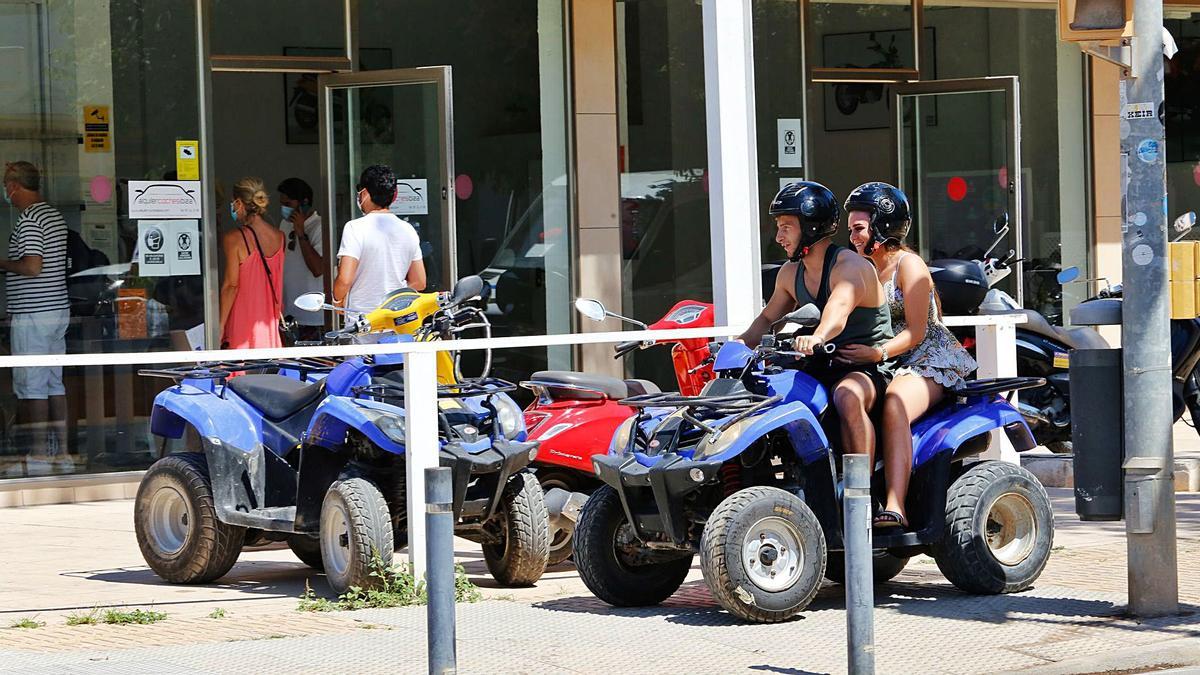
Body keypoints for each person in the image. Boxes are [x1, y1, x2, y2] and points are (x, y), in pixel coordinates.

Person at [837, 182, 976, 531]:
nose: (852, 236)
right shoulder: (859, 266)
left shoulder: (908, 265)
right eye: (850, 229)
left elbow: (916, 333)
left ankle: (895, 504)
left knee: (896, 402)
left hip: (927, 358)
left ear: (882, 227)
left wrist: (876, 351)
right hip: (883, 359)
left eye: (858, 229)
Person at [738, 181, 893, 464]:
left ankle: (860, 491)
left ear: (810, 227)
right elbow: (767, 318)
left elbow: (839, 308)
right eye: (778, 227)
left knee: (847, 396)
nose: (778, 237)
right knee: (766, 392)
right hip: (821, 364)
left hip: (867, 366)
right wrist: (737, 345)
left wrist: (818, 336)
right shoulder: (790, 272)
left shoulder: (849, 267)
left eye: (786, 227)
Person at [1, 161, 70, 475]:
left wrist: (2, 262)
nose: (6, 193)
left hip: (34, 313)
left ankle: (40, 455)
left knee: (33, 386)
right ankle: (63, 455)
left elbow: (32, 266)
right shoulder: (52, 215)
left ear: (14, 186)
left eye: (6, 185)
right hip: (56, 308)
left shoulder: (29, 219)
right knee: (55, 383)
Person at [333, 165, 426, 318]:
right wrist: (392, 295)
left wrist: (337, 300)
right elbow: (419, 281)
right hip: (397, 316)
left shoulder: (354, 228)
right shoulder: (408, 230)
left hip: (362, 319)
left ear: (364, 193)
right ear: (394, 196)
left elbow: (344, 279)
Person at [219, 177, 285, 350]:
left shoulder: (234, 239)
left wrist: (219, 325)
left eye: (233, 202)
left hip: (242, 324)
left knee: (239, 375)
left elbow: (231, 286)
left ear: (239, 202)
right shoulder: (279, 237)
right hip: (269, 326)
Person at [277, 177, 324, 342]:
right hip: (289, 313)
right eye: (282, 204)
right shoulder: (284, 224)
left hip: (312, 317)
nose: (284, 209)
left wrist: (301, 233)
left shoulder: (319, 226)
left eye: (288, 204)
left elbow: (318, 269)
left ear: (304, 203)